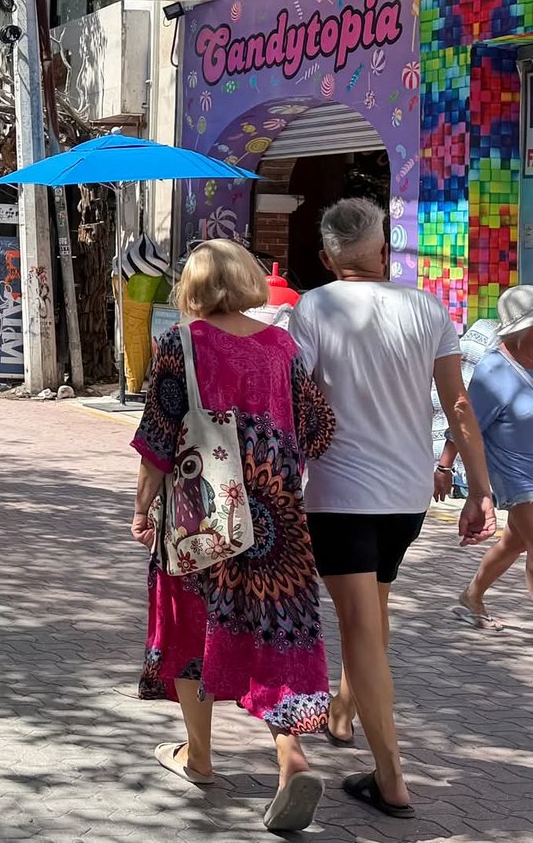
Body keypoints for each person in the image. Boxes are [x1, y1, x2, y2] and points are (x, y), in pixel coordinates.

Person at [288, 199, 496, 820]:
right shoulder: (428, 307)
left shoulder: (313, 307)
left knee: (358, 627)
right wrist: (479, 487)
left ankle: (391, 778)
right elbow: (457, 405)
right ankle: (345, 718)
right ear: (383, 252)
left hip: (341, 495)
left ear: (327, 259)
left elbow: (295, 403)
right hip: (407, 496)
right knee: (372, 611)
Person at [130, 240, 337, 833]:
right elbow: (318, 429)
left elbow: (157, 440)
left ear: (191, 288)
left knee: (194, 622)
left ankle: (197, 758)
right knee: (276, 631)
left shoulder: (180, 343)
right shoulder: (281, 345)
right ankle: (292, 757)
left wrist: (142, 508)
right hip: (277, 523)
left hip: (201, 515)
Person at [448, 284, 533, 629]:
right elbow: (465, 422)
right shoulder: (494, 372)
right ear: (516, 333)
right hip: (515, 476)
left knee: (514, 542)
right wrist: (443, 466)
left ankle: (472, 595)